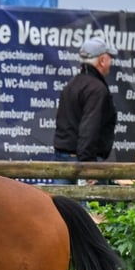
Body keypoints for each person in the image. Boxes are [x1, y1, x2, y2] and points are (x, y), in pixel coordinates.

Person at [52, 36, 118, 185]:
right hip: (83, 162)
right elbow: (89, 128)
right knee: (89, 208)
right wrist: (89, 167)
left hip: (62, 158)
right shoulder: (97, 89)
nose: (111, 62)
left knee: (61, 206)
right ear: (102, 60)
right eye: (109, 58)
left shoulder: (72, 84)